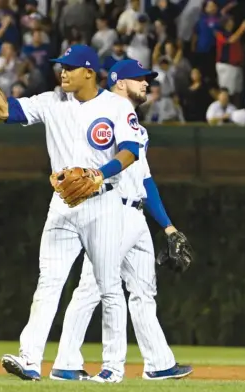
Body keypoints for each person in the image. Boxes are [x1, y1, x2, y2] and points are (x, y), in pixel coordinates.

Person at [0, 37, 141, 382]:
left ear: (89, 73)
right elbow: (4, 110)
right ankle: (29, 359)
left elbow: (130, 150)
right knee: (49, 282)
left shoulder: (118, 107)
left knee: (108, 286)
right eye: (61, 67)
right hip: (62, 204)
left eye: (69, 68)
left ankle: (113, 369)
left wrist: (98, 173)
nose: (62, 73)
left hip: (104, 203)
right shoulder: (51, 102)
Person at [50, 59, 194, 382]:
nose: (146, 84)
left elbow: (145, 179)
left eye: (147, 79)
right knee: (91, 287)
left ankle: (158, 363)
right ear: (119, 82)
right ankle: (65, 362)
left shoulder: (137, 128)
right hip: (111, 212)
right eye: (139, 79)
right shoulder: (102, 113)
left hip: (137, 216)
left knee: (144, 292)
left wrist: (168, 227)